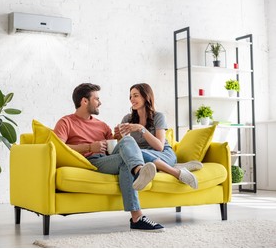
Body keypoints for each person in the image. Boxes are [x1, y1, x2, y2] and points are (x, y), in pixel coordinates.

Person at [54, 83, 164, 232]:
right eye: (97, 99)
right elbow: (57, 148)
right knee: (125, 161)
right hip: (90, 162)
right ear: (84, 101)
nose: (100, 102)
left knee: (128, 142)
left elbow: (115, 147)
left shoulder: (101, 125)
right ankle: (137, 207)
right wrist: (88, 147)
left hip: (107, 159)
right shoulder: (66, 122)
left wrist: (119, 136)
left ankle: (138, 177)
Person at [114, 83, 202, 191]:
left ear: (146, 96)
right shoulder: (127, 118)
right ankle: (175, 167)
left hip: (163, 154)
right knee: (130, 154)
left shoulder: (158, 117)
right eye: (131, 96)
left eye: (136, 95)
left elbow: (159, 146)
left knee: (137, 153)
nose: (132, 99)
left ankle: (177, 173)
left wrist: (141, 128)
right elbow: (124, 145)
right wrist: (118, 136)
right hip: (143, 158)